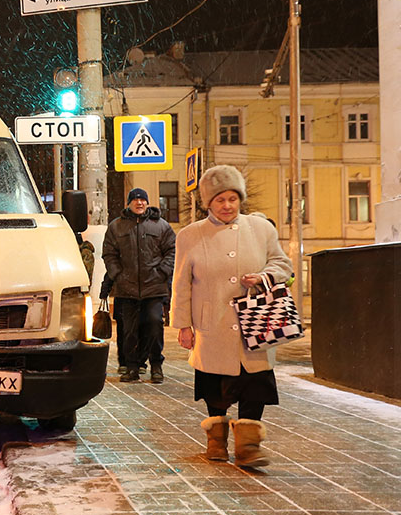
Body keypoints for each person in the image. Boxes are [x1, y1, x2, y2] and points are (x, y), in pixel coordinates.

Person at [170, 165, 291, 467]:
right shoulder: (190, 235)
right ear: (207, 203)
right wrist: (183, 325)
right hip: (213, 324)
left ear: (241, 200)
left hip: (256, 321)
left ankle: (249, 446)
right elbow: (181, 283)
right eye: (220, 200)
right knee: (215, 385)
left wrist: (264, 276)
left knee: (256, 383)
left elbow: (282, 264)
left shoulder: (262, 229)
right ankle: (216, 441)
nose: (227, 206)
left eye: (232, 199)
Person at [102, 187, 176, 384]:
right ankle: (132, 367)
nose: (139, 203)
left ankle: (156, 365)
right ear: (129, 203)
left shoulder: (161, 226)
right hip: (127, 289)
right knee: (129, 330)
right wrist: (118, 274)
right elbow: (109, 254)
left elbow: (172, 251)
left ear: (147, 202)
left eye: (142, 199)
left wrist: (161, 272)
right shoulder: (116, 227)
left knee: (154, 324)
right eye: (135, 200)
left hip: (154, 287)